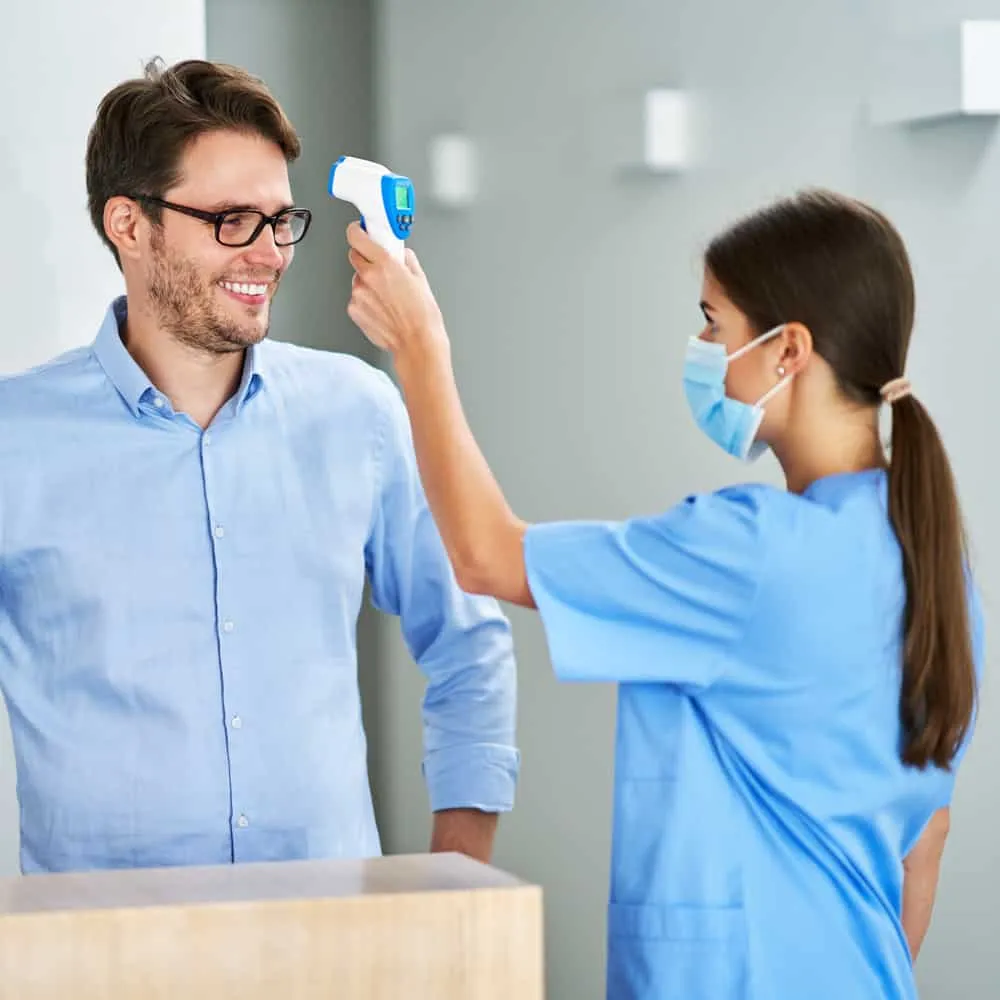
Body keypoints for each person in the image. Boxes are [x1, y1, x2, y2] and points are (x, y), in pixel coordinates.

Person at [345, 188, 983, 999]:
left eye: (714, 323)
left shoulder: (750, 553)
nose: (701, 345)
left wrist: (419, 345)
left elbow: (483, 555)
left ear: (789, 350)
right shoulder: (932, 560)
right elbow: (926, 836)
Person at [0, 58, 519, 875]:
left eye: (280, 221)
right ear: (129, 227)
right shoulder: (15, 438)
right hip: (100, 957)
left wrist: (457, 880)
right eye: (232, 220)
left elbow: (467, 644)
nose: (270, 254)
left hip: (334, 946)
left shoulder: (359, 412)